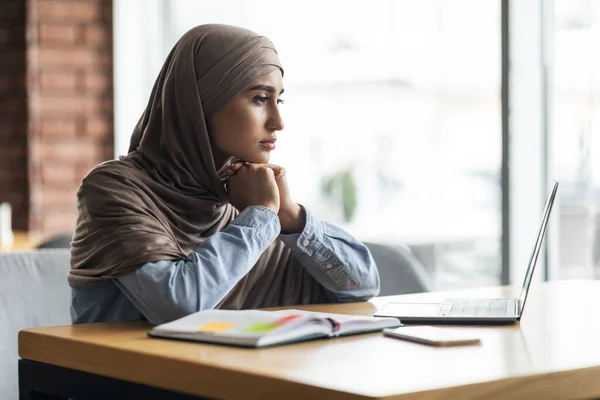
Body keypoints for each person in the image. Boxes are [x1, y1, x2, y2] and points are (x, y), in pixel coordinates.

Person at [69, 24, 380, 325]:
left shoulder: (244, 192)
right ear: (202, 102)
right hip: (132, 376)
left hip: (241, 374)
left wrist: (290, 216)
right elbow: (179, 304)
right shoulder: (113, 188)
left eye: (279, 99)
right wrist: (259, 217)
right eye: (261, 99)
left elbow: (362, 285)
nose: (278, 121)